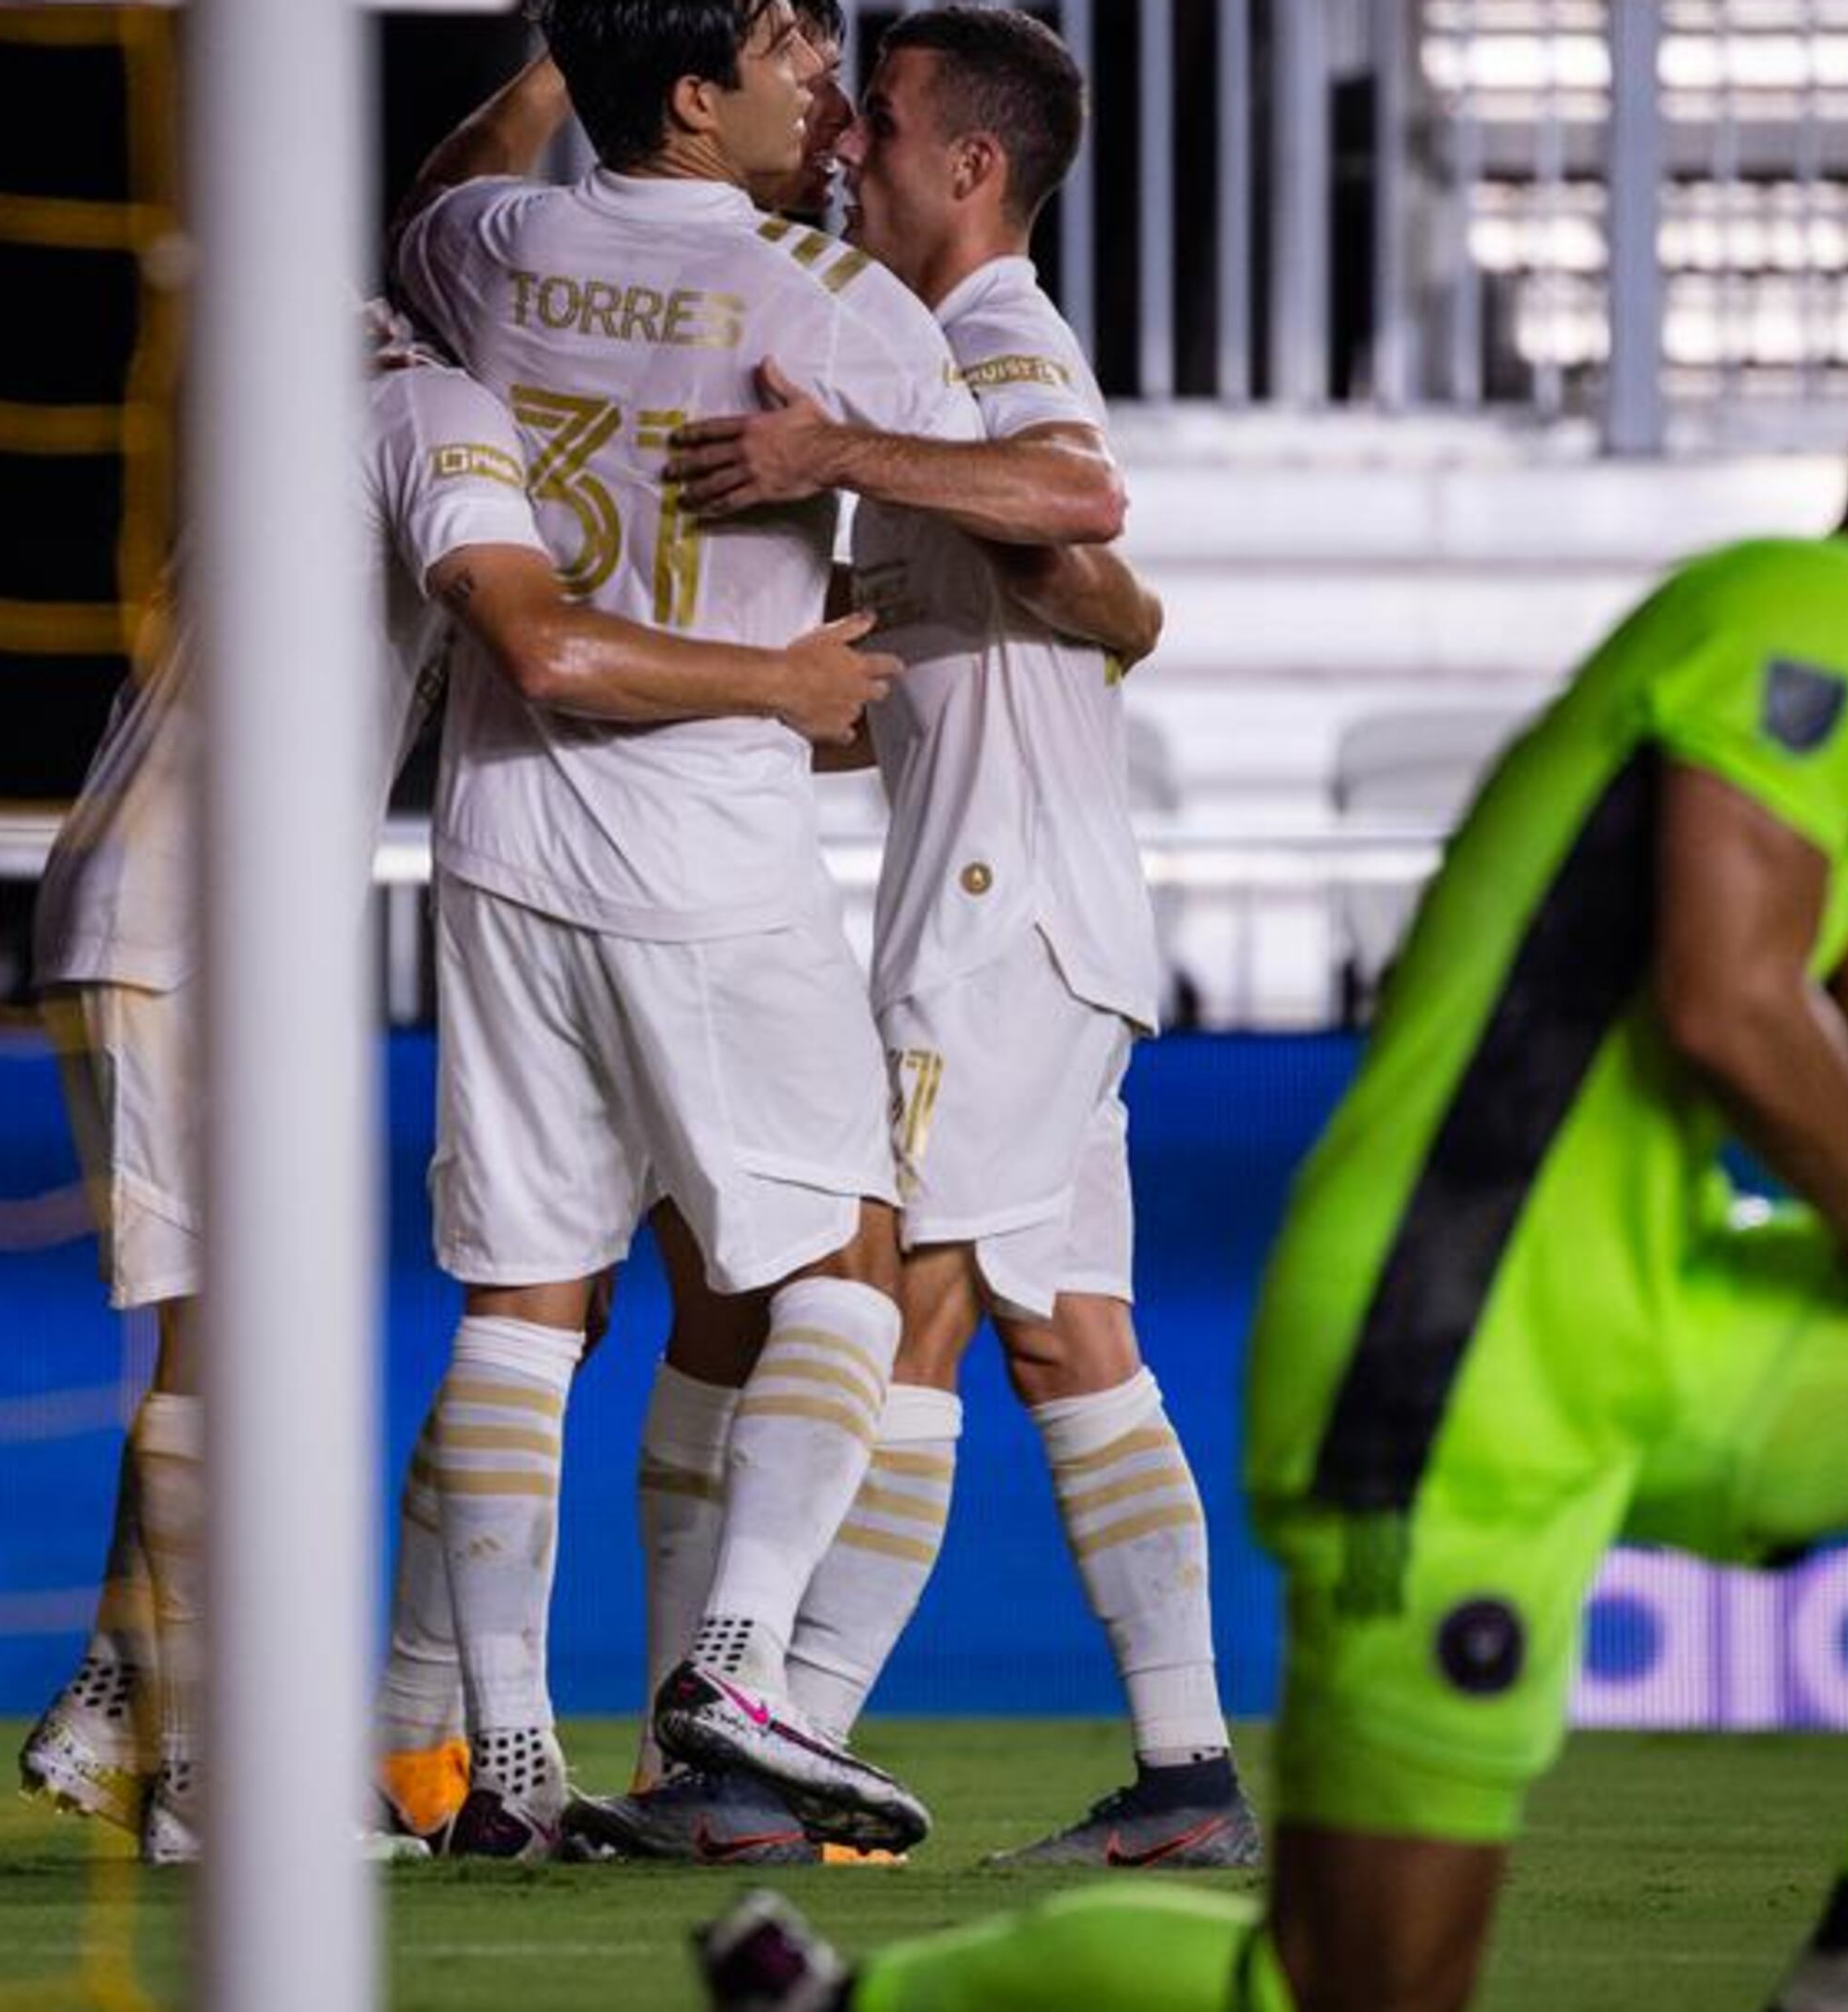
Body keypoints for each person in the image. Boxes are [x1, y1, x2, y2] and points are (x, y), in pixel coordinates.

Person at [699, 331, 1848, 2012]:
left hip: (1655, 1328)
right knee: (1358, 1989)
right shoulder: (1806, 616)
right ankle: (863, 2003)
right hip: (1450, 1350)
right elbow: (1731, 1000)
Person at [387, 0, 1127, 1859]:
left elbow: (439, 189)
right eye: (795, 57)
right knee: (851, 1272)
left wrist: (566, 55)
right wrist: (840, 473)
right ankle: (731, 1671)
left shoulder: (499, 250)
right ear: (702, 94)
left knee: (530, 1297)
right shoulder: (836, 304)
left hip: (494, 839)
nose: (825, 95)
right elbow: (1075, 522)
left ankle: (509, 1774)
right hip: (706, 839)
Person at [12, 327, 897, 1864]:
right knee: (226, 1359)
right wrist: (781, 677)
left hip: (144, 903)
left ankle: (115, 1701)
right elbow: (543, 650)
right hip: (190, 924)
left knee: (215, 1334)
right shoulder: (433, 412)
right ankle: (214, 1784)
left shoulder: (283, 455)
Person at [578, 7, 1256, 1872]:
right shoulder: (945, 366)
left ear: (971, 164)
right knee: (1077, 1345)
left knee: (892, 1309)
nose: (852, 147)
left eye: (880, 122)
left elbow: (1075, 499)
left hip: (994, 915)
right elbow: (1040, 602)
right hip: (1047, 909)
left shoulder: (985, 339)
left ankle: (770, 1751)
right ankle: (1189, 1779)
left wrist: (824, 452)